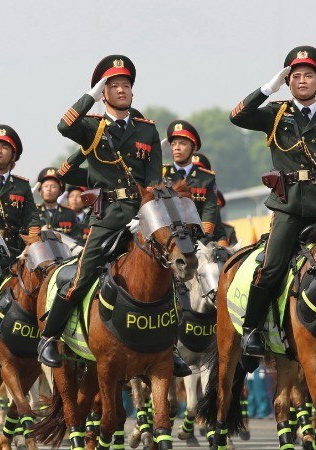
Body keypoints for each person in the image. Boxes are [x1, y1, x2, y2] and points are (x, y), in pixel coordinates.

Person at [41, 54, 190, 375]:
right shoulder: (92, 127)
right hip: (108, 214)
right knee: (83, 274)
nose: (121, 90)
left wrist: (150, 213)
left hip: (143, 215)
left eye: (126, 85)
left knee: (172, 273)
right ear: (103, 91)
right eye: (114, 85)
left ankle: (171, 345)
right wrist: (90, 96)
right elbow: (64, 124)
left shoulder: (146, 130)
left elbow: (152, 178)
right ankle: (49, 337)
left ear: (133, 93)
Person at [230, 46, 316, 356]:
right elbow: (237, 116)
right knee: (271, 269)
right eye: (294, 76)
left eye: (308, 75)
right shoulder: (275, 114)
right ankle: (251, 331)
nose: (301, 80)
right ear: (288, 81)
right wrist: (268, 88)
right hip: (288, 209)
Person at [0, 124, 40, 259]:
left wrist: (31, 244)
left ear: (13, 156)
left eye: (4, 147)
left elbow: (32, 219)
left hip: (15, 251)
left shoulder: (22, 186)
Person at [162, 122, 219, 243]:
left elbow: (209, 211)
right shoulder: (162, 175)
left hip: (197, 240)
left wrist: (202, 242)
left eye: (182, 144)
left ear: (193, 148)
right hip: (167, 240)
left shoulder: (206, 178)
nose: (177, 148)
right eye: (173, 144)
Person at [35, 168, 80, 238]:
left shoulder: (69, 214)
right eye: (45, 186)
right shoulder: (33, 212)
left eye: (53, 186)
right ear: (40, 191)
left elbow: (76, 238)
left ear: (60, 191)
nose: (49, 189)